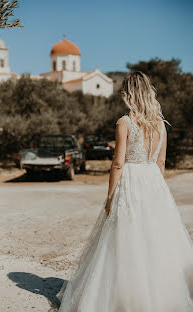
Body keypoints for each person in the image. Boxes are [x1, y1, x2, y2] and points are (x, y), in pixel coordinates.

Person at [56, 71, 193, 312]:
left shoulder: (125, 122)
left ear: (127, 94)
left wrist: (110, 197)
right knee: (156, 239)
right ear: (148, 93)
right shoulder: (161, 124)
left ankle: (123, 297)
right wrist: (156, 191)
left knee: (125, 239)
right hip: (154, 182)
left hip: (131, 180)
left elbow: (118, 162)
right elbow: (161, 163)